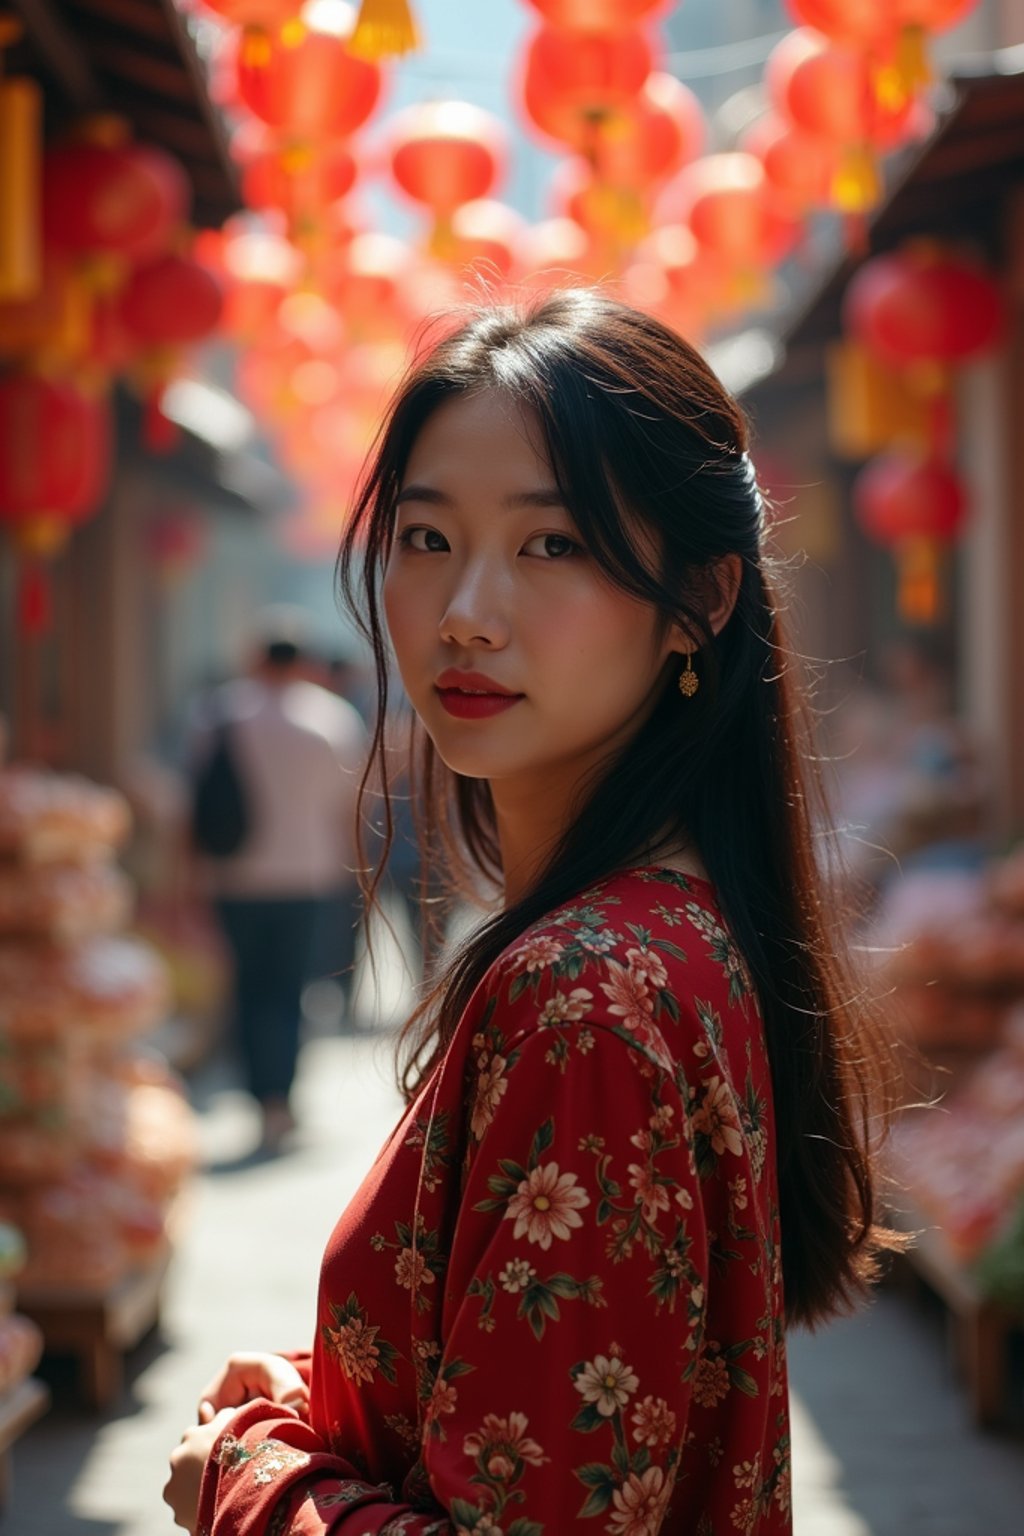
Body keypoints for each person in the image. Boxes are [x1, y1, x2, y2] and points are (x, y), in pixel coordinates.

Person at [165, 292, 901, 1533]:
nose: (466, 611)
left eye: (551, 545)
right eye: (426, 537)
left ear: (701, 598)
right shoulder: (675, 932)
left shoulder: (584, 995)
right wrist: (328, 1406)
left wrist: (244, 1480)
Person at [188, 610, 367, 1148]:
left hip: (235, 875)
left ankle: (257, 1096)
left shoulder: (218, 713)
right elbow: (350, 806)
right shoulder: (331, 719)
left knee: (247, 988)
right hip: (309, 875)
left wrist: (186, 879)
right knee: (290, 991)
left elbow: (192, 804)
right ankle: (280, 1103)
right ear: (303, 662)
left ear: (256, 658)